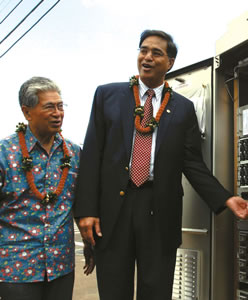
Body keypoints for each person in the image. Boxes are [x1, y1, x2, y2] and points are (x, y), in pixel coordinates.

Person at [74, 30, 248, 300]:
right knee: (113, 290)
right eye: (143, 50)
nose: (147, 57)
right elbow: (92, 155)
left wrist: (225, 198)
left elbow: (192, 163)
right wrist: (86, 210)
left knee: (156, 292)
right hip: (113, 211)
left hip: (159, 212)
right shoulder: (107, 95)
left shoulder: (182, 108)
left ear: (170, 62)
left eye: (156, 53)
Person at [0, 77, 91, 300]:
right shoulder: (5, 152)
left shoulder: (74, 153)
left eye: (61, 106)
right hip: (16, 270)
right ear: (27, 112)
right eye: (49, 107)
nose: (58, 113)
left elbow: (83, 203)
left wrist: (90, 244)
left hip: (61, 267)